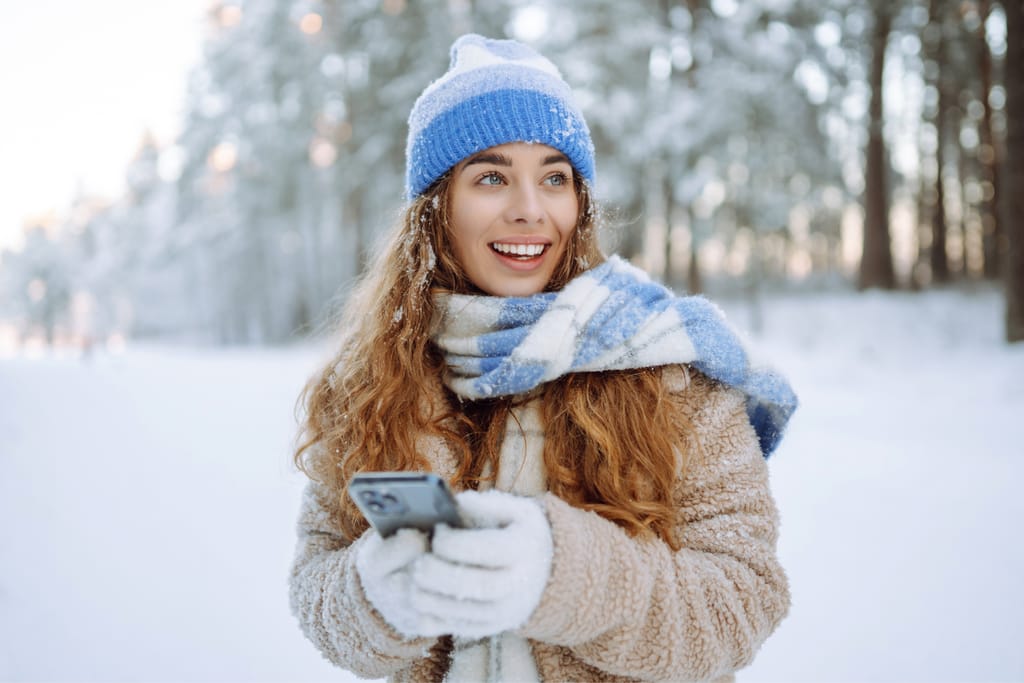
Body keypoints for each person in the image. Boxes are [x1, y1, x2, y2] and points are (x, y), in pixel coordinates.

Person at [289, 33, 797, 683]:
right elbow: (316, 581)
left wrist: (562, 574)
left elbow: (743, 598)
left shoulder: (671, 366)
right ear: (436, 207)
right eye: (492, 177)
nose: (530, 210)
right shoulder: (370, 384)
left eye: (554, 177)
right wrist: (374, 596)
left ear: (578, 202)